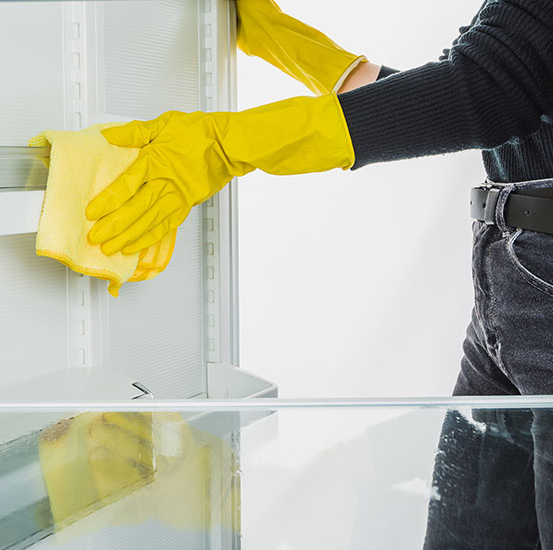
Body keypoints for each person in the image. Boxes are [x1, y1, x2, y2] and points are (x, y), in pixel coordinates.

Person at [84, 1, 553, 548]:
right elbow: (507, 98)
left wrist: (229, 143)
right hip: (511, 298)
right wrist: (303, 51)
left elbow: (485, 90)